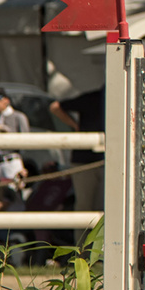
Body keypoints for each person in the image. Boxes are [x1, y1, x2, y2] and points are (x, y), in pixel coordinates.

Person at [51, 86, 105, 214]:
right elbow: (55, 107)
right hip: (84, 160)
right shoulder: (93, 97)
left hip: (104, 160)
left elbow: (55, 107)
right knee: (85, 207)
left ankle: (95, 235)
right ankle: (83, 235)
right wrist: (75, 125)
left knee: (97, 208)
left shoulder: (97, 96)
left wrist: (75, 125)